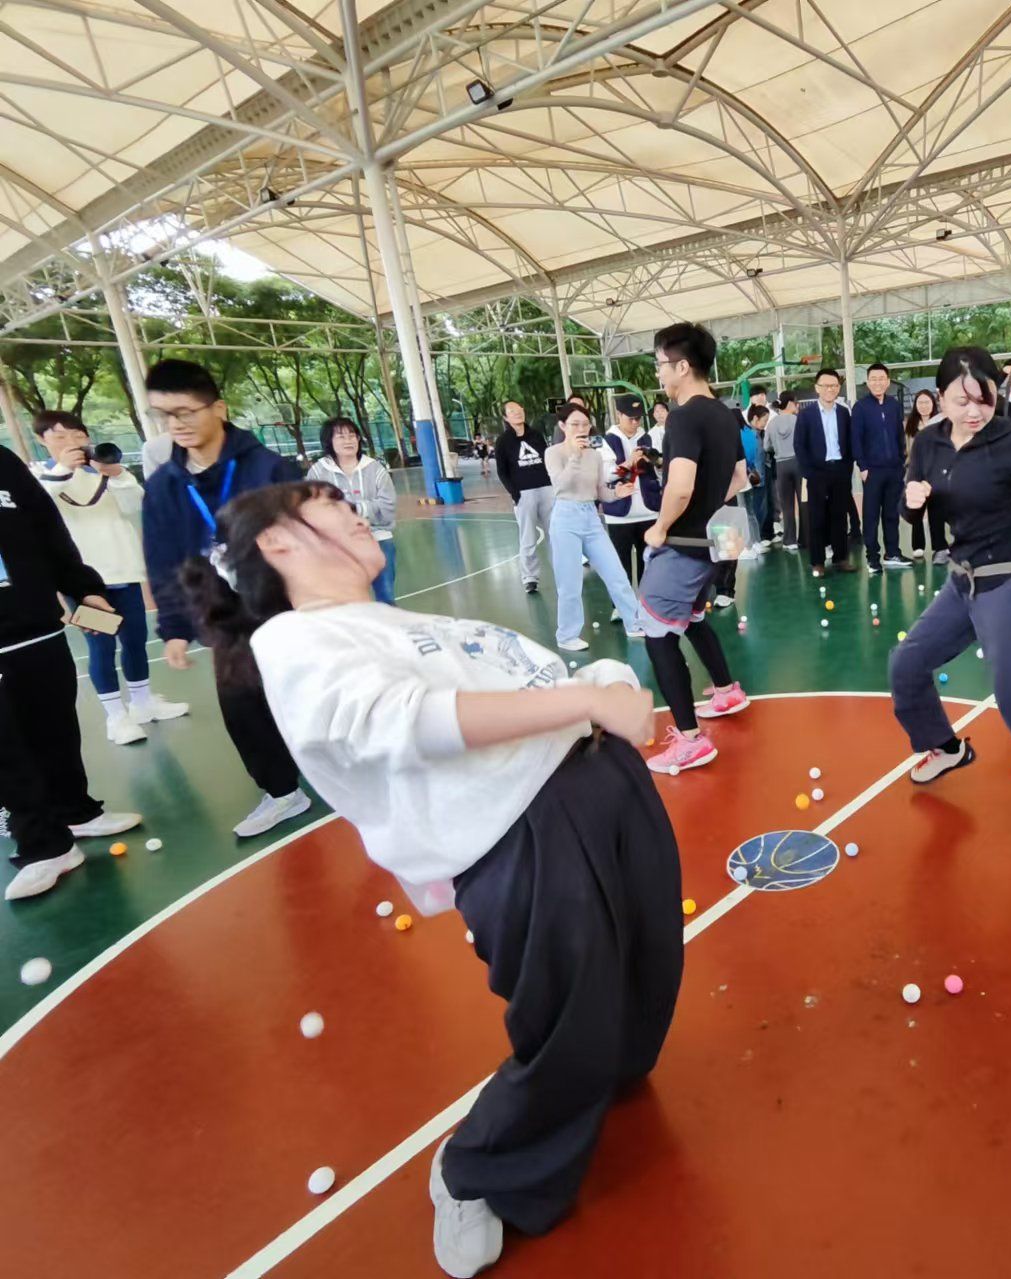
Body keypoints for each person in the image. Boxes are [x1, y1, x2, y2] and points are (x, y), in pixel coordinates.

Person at [179, 481, 680, 1279]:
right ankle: (474, 1169)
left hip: (597, 779)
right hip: (526, 831)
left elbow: (522, 680)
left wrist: (605, 684)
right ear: (277, 543)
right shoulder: (294, 641)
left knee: (647, 966)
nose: (353, 510)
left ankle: (602, 1076)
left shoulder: (398, 620)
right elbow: (405, 720)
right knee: (567, 1022)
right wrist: (584, 697)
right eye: (327, 503)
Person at [891, 346, 1011, 846]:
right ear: (940, 398)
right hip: (963, 580)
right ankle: (946, 747)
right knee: (906, 665)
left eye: (984, 398)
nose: (974, 411)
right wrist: (910, 502)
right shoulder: (928, 443)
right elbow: (910, 508)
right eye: (962, 400)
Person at [141, 358, 312, 838]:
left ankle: (352, 769)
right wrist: (175, 627)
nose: (176, 424)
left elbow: (311, 534)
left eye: (185, 411)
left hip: (288, 606)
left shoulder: (269, 468)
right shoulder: (164, 487)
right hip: (224, 615)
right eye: (164, 415)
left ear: (218, 408)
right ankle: (282, 792)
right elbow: (164, 559)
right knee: (242, 706)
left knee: (314, 695)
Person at [0, 445, 143, 900]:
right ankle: (44, 846)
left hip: (36, 628)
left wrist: (83, 588)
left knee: (57, 731)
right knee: (7, 754)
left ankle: (76, 812)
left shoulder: (3, 463)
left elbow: (48, 532)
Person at [31, 411, 189, 744]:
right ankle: (116, 717)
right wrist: (64, 469)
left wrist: (116, 474)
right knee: (101, 646)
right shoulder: (39, 477)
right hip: (83, 583)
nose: (71, 443)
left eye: (77, 435)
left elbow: (134, 505)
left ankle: (142, 703)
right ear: (42, 441)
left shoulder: (103, 472)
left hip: (124, 571)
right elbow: (41, 506)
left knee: (134, 640)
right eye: (60, 436)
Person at [636, 322, 749, 774]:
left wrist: (660, 527)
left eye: (660, 364)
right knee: (696, 617)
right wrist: (708, 505)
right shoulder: (725, 413)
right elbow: (739, 478)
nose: (658, 372)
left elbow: (680, 487)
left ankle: (688, 740)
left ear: (682, 366)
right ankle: (726, 691)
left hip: (687, 542)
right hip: (723, 536)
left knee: (657, 631)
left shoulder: (682, 416)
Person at [544, 405, 643, 651]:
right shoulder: (553, 453)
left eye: (585, 424)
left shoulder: (595, 456)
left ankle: (634, 623)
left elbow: (599, 492)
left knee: (616, 574)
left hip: (591, 517)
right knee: (569, 583)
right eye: (575, 424)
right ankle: (567, 636)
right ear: (563, 426)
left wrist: (617, 493)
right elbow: (560, 486)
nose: (581, 428)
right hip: (565, 517)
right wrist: (575, 456)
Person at [306, 417, 399, 602]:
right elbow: (313, 508)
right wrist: (365, 508)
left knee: (386, 597)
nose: (348, 441)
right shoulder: (318, 472)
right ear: (329, 441)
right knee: (347, 600)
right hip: (337, 544)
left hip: (378, 539)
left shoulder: (375, 469)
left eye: (352, 435)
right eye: (341, 436)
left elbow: (388, 505)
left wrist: (350, 509)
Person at [796, 368, 857, 577]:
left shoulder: (844, 413)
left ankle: (841, 558)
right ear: (817, 388)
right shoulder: (806, 415)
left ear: (838, 388)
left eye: (834, 385)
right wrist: (809, 472)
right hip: (817, 473)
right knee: (817, 517)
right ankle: (818, 562)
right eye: (825, 385)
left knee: (840, 516)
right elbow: (799, 445)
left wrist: (847, 468)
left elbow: (849, 442)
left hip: (840, 470)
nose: (829, 389)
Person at [852, 362, 909, 573]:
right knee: (871, 515)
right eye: (873, 379)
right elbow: (856, 439)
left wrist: (902, 461)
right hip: (872, 470)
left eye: (881, 379)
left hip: (894, 469)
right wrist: (863, 466)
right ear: (867, 382)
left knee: (892, 514)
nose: (877, 383)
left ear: (887, 381)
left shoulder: (894, 405)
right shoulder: (860, 407)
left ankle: (892, 553)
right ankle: (872, 557)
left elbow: (899, 435)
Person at [601, 394, 660, 589]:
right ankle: (620, 603)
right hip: (619, 515)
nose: (635, 423)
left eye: (638, 418)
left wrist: (657, 463)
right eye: (630, 418)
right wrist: (629, 463)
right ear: (619, 414)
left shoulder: (648, 437)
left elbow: (660, 472)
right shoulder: (606, 441)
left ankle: (647, 602)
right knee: (620, 567)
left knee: (650, 565)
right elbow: (607, 476)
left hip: (649, 511)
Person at [494, 401, 553, 592]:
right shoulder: (503, 441)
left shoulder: (536, 435)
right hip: (524, 493)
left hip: (546, 489)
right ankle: (530, 577)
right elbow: (502, 471)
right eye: (512, 411)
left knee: (555, 534)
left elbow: (547, 459)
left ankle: (562, 570)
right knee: (528, 538)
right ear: (505, 417)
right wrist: (515, 493)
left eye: (519, 409)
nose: (517, 413)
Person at [904, 388, 948, 562]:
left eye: (927, 402)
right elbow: (906, 448)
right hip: (916, 471)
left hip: (936, 472)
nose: (923, 406)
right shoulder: (909, 425)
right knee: (916, 507)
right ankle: (918, 545)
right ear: (915, 405)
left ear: (933, 404)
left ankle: (940, 547)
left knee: (936, 510)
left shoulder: (941, 422)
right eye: (920, 402)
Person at [764, 390, 802, 551]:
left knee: (786, 505)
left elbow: (766, 446)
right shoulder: (797, 420)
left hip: (781, 466)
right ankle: (805, 538)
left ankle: (789, 540)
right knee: (804, 502)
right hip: (798, 463)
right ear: (791, 403)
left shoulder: (771, 424)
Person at [740, 405, 771, 553]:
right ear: (755, 418)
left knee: (755, 510)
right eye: (764, 420)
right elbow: (754, 458)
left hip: (757, 477)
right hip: (756, 479)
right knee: (755, 510)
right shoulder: (752, 435)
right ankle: (754, 541)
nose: (765, 423)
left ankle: (756, 540)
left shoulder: (755, 434)